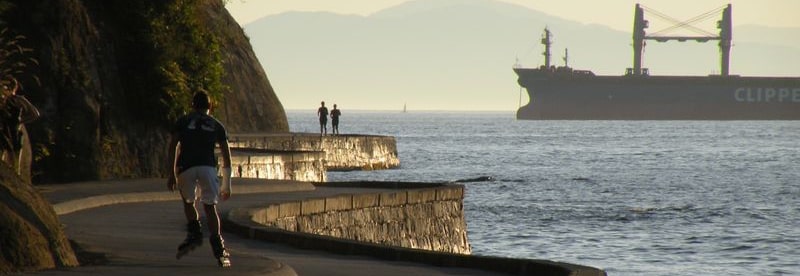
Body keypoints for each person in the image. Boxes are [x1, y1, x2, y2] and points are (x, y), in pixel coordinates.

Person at [166, 92, 233, 267]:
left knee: (188, 202)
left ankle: (195, 231)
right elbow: (226, 156)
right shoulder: (217, 125)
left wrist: (171, 173)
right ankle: (218, 246)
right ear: (210, 107)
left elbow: (173, 146)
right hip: (208, 167)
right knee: (210, 207)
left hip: (186, 167)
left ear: (192, 105)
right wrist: (227, 184)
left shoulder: (182, 121)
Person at [1, 78, 39, 175]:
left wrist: (20, 120)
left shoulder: (18, 100)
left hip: (14, 133)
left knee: (14, 161)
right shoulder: (2, 101)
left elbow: (34, 113)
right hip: (3, 132)